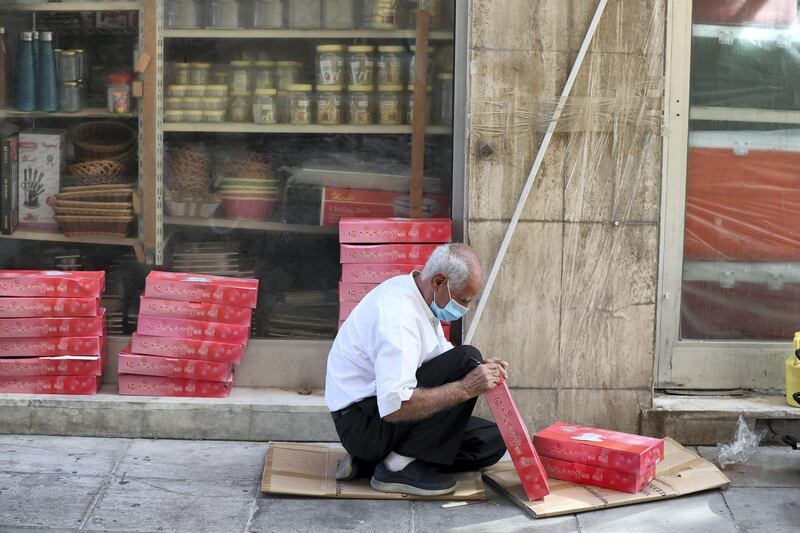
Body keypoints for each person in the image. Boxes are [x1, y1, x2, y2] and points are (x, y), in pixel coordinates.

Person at [325, 243, 508, 496]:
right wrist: (466, 388)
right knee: (468, 359)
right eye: (463, 300)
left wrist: (482, 370)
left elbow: (442, 358)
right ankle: (396, 467)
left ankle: (372, 461)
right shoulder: (398, 316)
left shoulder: (417, 295)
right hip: (364, 421)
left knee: (492, 441)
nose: (464, 309)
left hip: (377, 416)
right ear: (439, 282)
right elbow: (394, 406)